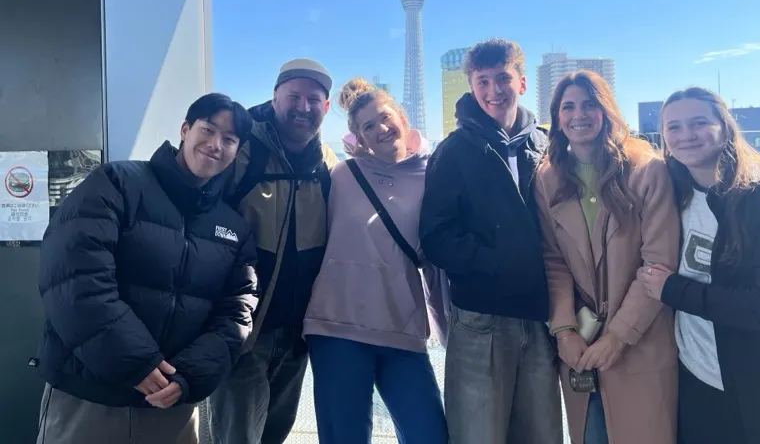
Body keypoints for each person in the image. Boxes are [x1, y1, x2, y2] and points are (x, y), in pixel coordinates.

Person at [35, 93, 258, 444]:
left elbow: (236, 314)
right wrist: (135, 362)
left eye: (229, 139)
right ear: (185, 129)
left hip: (171, 407)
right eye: (208, 129)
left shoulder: (234, 228)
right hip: (90, 395)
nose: (216, 145)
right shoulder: (117, 183)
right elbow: (74, 277)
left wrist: (188, 376)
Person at [637, 87, 760, 444]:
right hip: (696, 378)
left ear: (725, 128)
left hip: (759, 386)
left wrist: (675, 291)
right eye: (674, 127)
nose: (686, 135)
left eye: (698, 123)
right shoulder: (670, 194)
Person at [419, 38, 562, 444]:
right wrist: (497, 262)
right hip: (481, 315)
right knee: (477, 431)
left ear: (521, 82)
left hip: (540, 313)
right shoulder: (454, 151)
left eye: (503, 78)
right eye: (483, 81)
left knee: (541, 430)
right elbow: (436, 237)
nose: (494, 90)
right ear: (471, 85)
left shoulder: (546, 145)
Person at [534, 71, 679, 444]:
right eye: (568, 106)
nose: (578, 114)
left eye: (589, 104)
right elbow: (553, 260)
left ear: (606, 111)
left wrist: (617, 337)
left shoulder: (647, 170)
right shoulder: (547, 178)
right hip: (580, 346)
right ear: (557, 116)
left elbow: (658, 263)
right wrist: (564, 330)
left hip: (642, 339)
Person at [303, 78, 449, 444]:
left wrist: (449, 333)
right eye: (369, 126)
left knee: (430, 434)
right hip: (336, 327)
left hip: (402, 326)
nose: (382, 129)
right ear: (359, 138)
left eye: (385, 117)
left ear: (401, 116)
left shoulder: (434, 175)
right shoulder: (341, 174)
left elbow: (435, 262)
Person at [208, 58, 338, 444]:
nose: (303, 107)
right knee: (237, 436)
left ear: (326, 108)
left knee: (274, 433)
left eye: (313, 99)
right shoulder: (242, 151)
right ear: (275, 97)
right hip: (245, 329)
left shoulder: (327, 164)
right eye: (293, 96)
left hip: (297, 333)